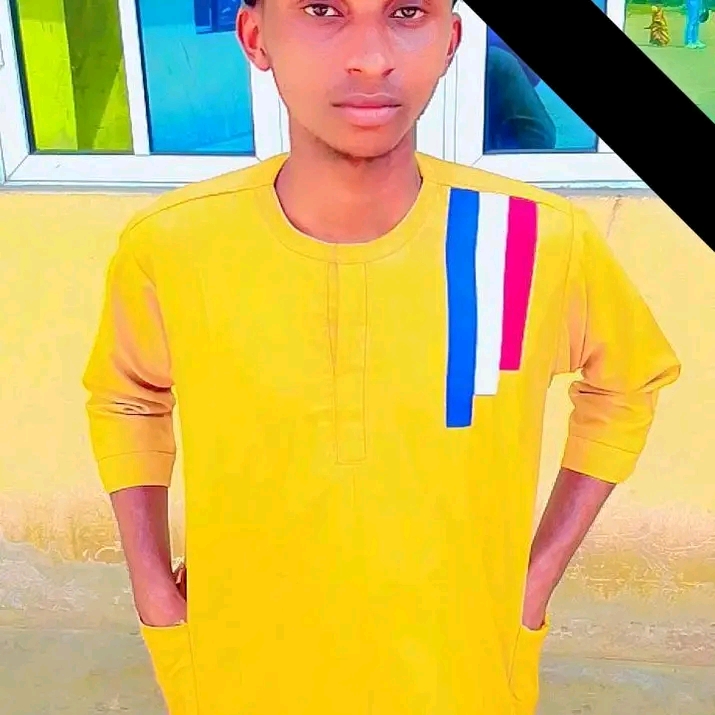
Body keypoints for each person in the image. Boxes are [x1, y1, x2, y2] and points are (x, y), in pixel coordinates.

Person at [81, 1, 681, 714]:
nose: (371, 58)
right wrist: (151, 583)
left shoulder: (531, 238)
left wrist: (535, 576)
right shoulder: (173, 244)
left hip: (459, 672)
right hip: (244, 668)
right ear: (255, 36)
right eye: (323, 10)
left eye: (406, 12)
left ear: (449, 40)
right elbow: (128, 397)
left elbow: (628, 380)